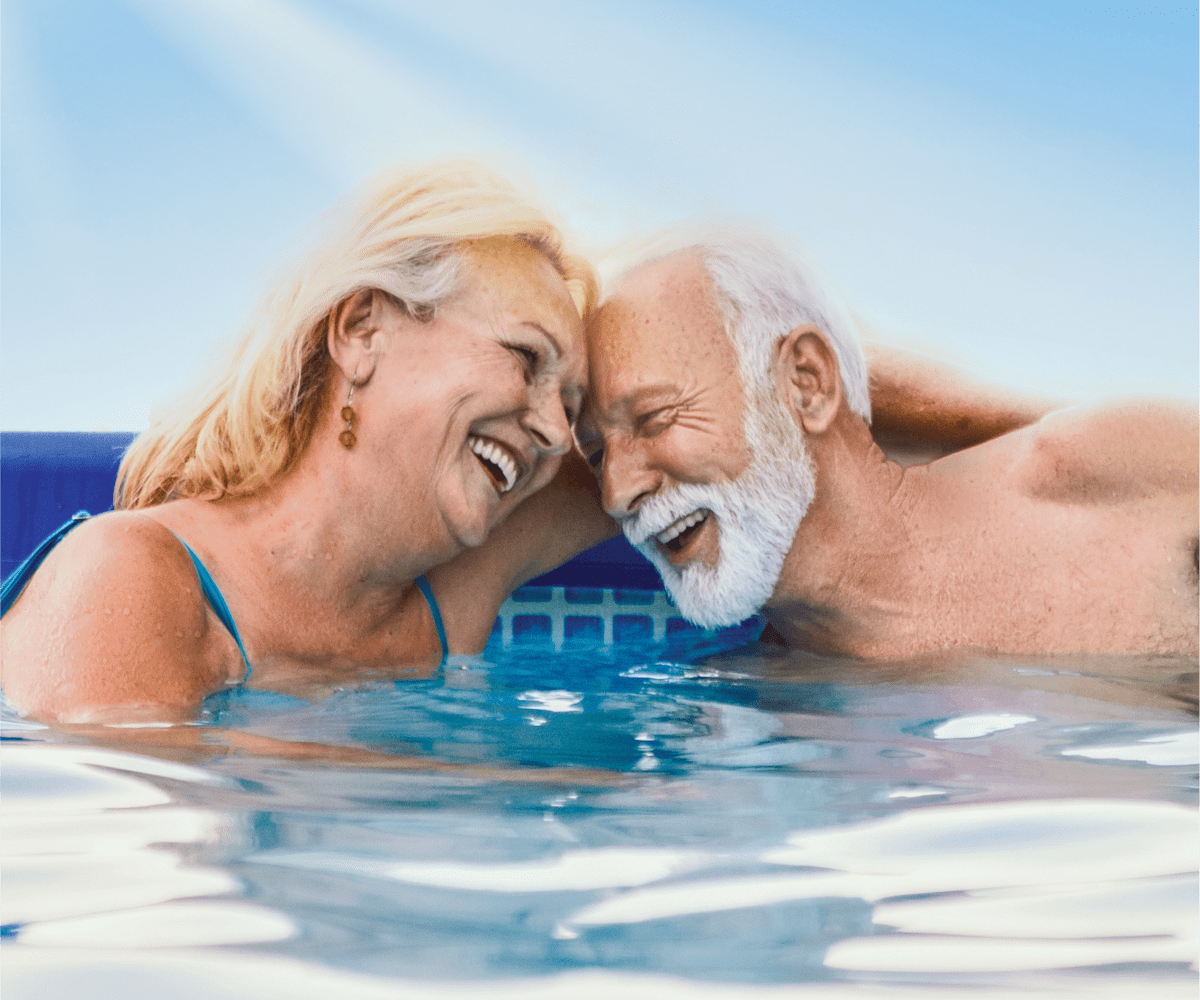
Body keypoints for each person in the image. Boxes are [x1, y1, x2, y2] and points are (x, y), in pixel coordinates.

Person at [0, 162, 612, 724]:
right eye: (525, 356)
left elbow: (682, 429)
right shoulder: (126, 578)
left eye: (570, 406)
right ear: (362, 330)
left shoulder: (460, 584)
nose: (557, 434)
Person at [579, 228, 1199, 658]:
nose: (616, 491)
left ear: (808, 383)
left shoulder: (1105, 475)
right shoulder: (735, 729)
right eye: (597, 451)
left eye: (656, 418)